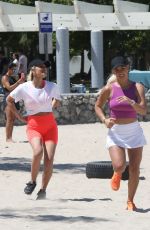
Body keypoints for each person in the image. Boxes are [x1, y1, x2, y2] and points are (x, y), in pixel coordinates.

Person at [95, 56, 147, 211]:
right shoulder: (109, 89)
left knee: (135, 169)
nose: (120, 71)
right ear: (113, 71)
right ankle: (117, 173)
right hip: (116, 132)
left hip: (134, 131)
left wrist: (131, 102)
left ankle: (130, 201)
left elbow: (143, 111)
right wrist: (104, 120)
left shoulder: (138, 87)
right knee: (119, 165)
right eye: (117, 69)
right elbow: (97, 106)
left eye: (123, 68)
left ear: (128, 68)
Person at [7, 59, 61, 200]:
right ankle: (32, 181)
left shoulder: (52, 86)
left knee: (49, 160)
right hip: (33, 125)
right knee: (38, 152)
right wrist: (18, 116)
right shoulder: (24, 87)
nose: (44, 69)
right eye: (41, 67)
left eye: (46, 67)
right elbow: (9, 100)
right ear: (33, 70)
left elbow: (58, 100)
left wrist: (52, 105)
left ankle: (43, 190)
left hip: (50, 126)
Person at [1, 62, 25, 142]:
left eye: (15, 69)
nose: (14, 71)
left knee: (12, 119)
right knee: (9, 119)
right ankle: (8, 138)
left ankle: (10, 137)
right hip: (8, 99)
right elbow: (9, 88)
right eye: (13, 69)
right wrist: (18, 82)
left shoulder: (12, 77)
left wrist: (21, 82)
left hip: (14, 99)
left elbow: (17, 87)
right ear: (8, 69)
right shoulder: (5, 77)